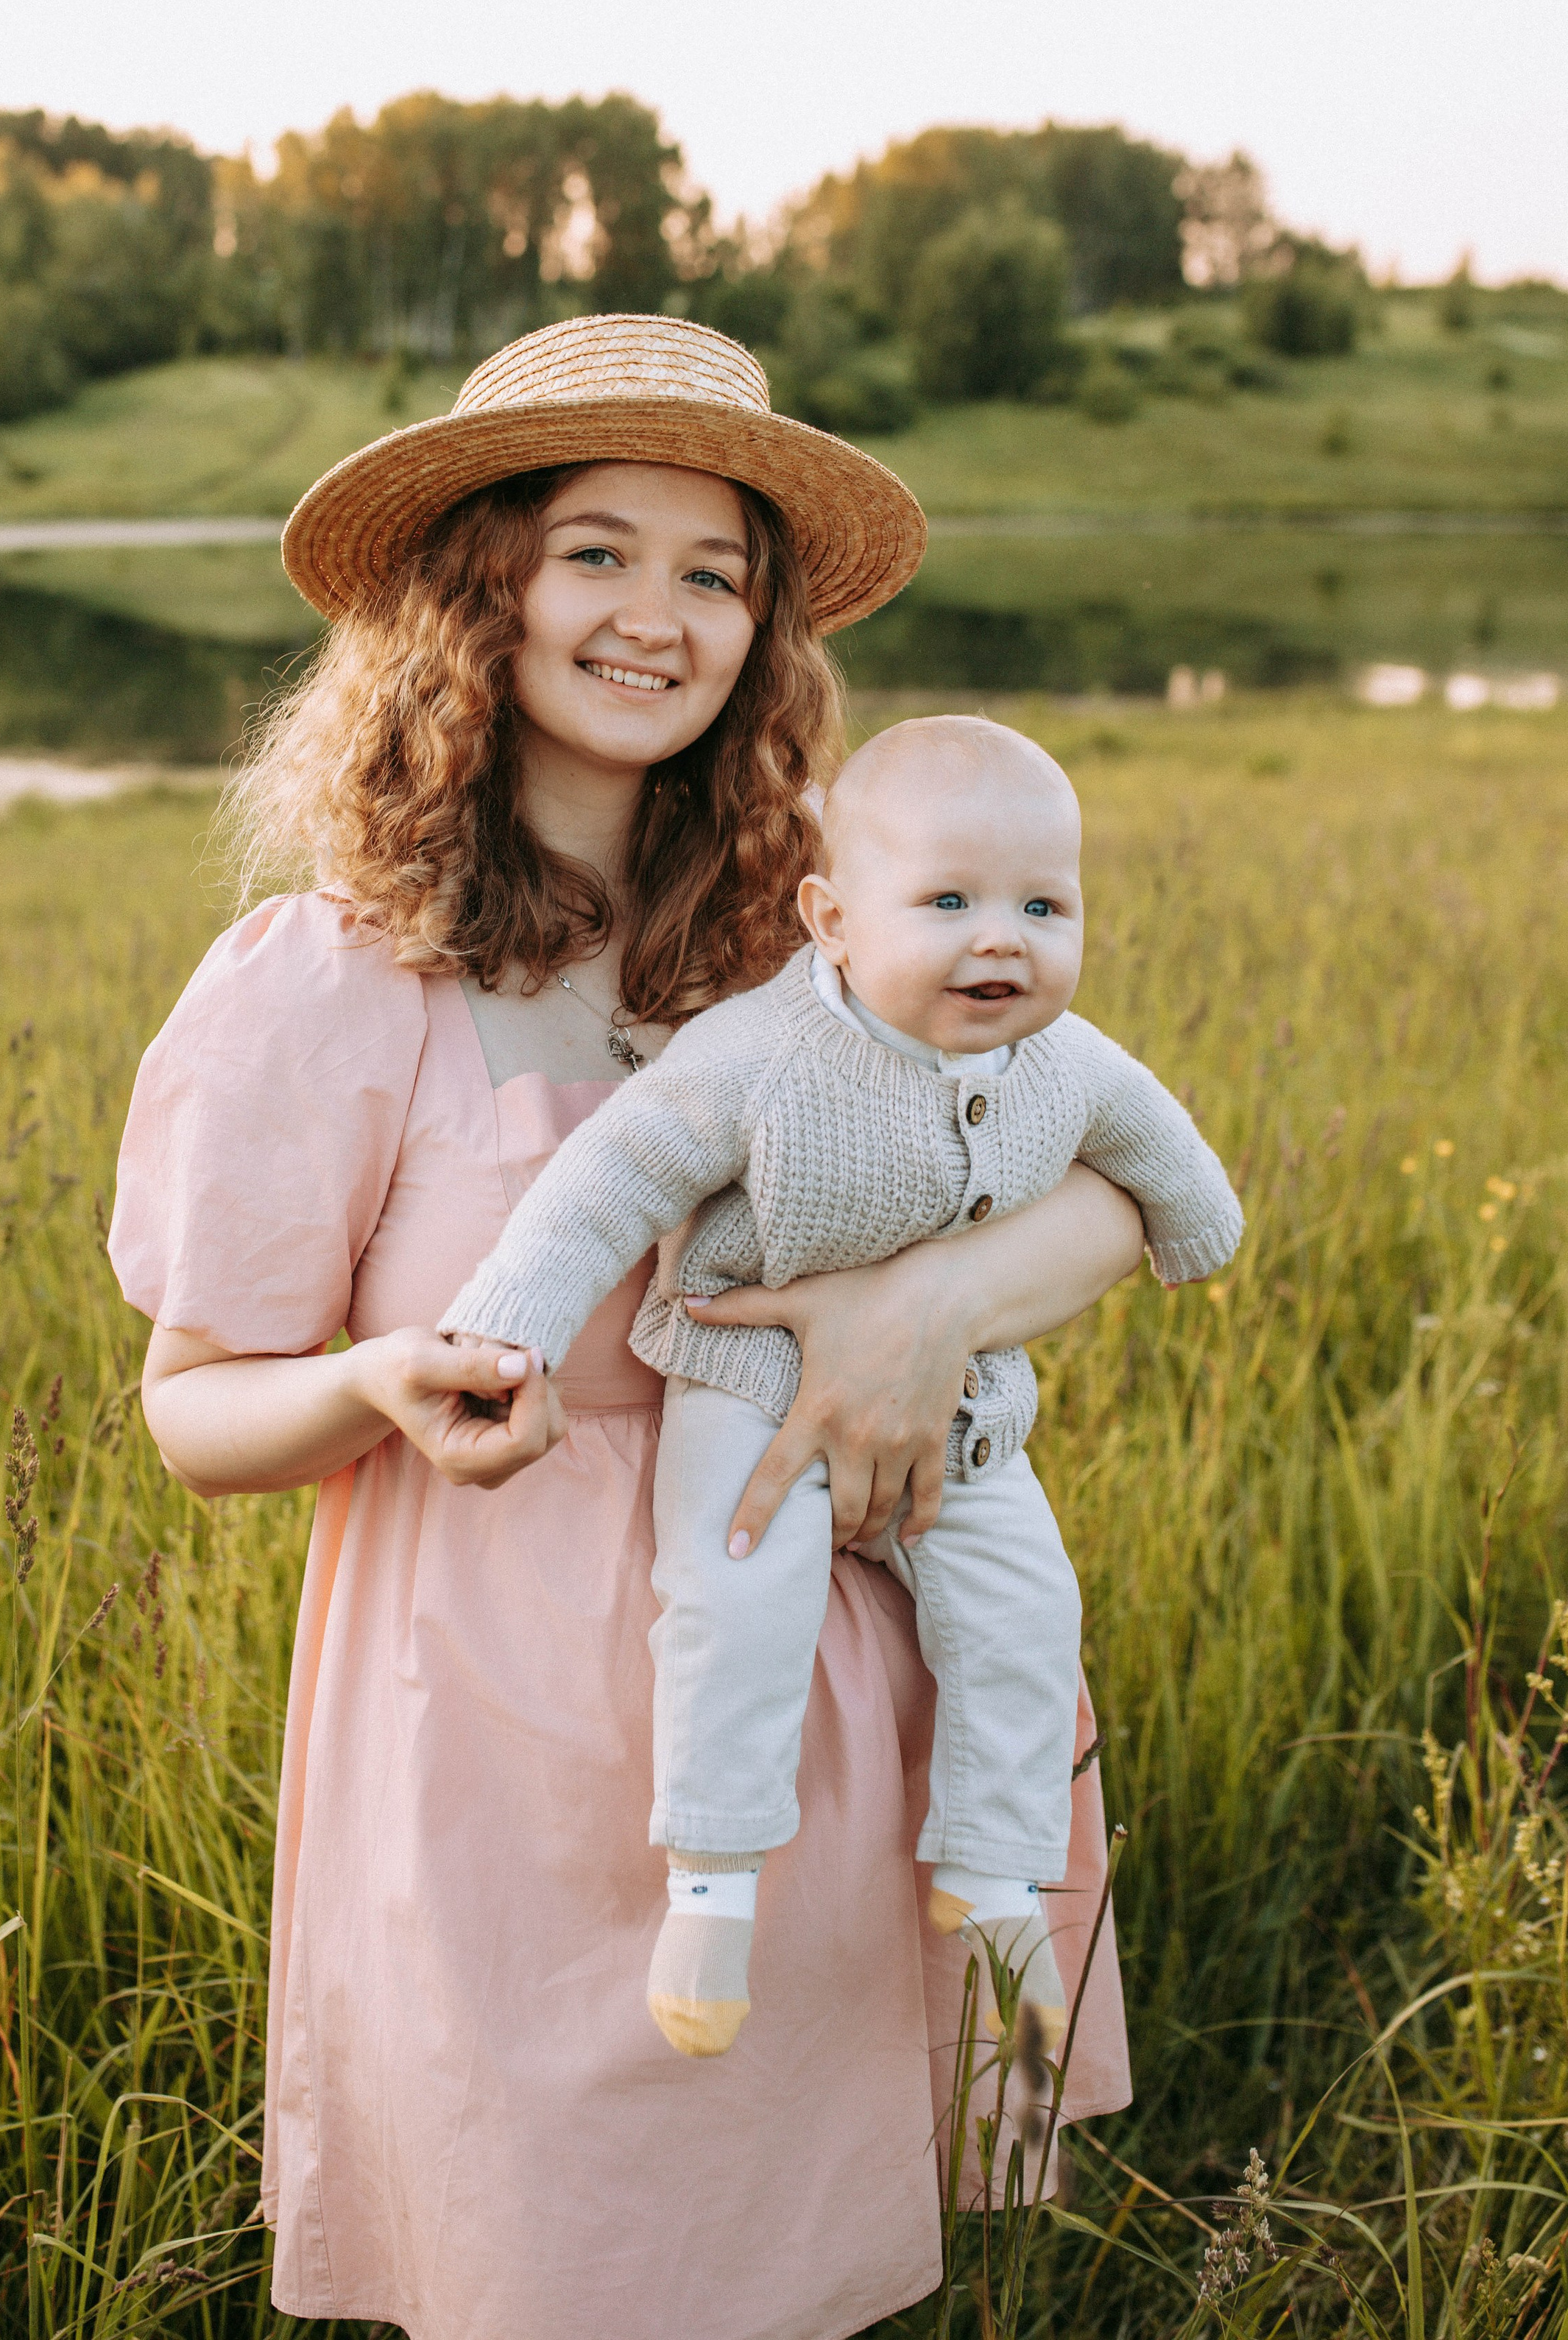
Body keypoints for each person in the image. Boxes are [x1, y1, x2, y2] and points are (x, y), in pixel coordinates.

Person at [109, 315, 1144, 2340]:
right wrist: (375, 1389)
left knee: (820, 2249)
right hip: (504, 1753)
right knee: (566, 2263)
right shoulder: (329, 985)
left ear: (767, 633)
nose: (655, 617)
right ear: (479, 584)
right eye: (596, 550)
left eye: (716, 572)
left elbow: (1116, 1184)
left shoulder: (826, 933)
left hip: (840, 1699)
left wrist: (925, 1304)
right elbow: (193, 1413)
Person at [441, 711, 1243, 2063]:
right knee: (732, 1595)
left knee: (1026, 1617)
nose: (1004, 939)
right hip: (745, 1384)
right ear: (831, 917)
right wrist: (507, 1322)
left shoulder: (1067, 1058)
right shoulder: (759, 1054)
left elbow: (1177, 1175)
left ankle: (994, 1880)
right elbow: (609, 1180)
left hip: (961, 1414)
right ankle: (713, 1884)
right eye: (949, 903)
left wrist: (1196, 1228)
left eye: (1045, 906)